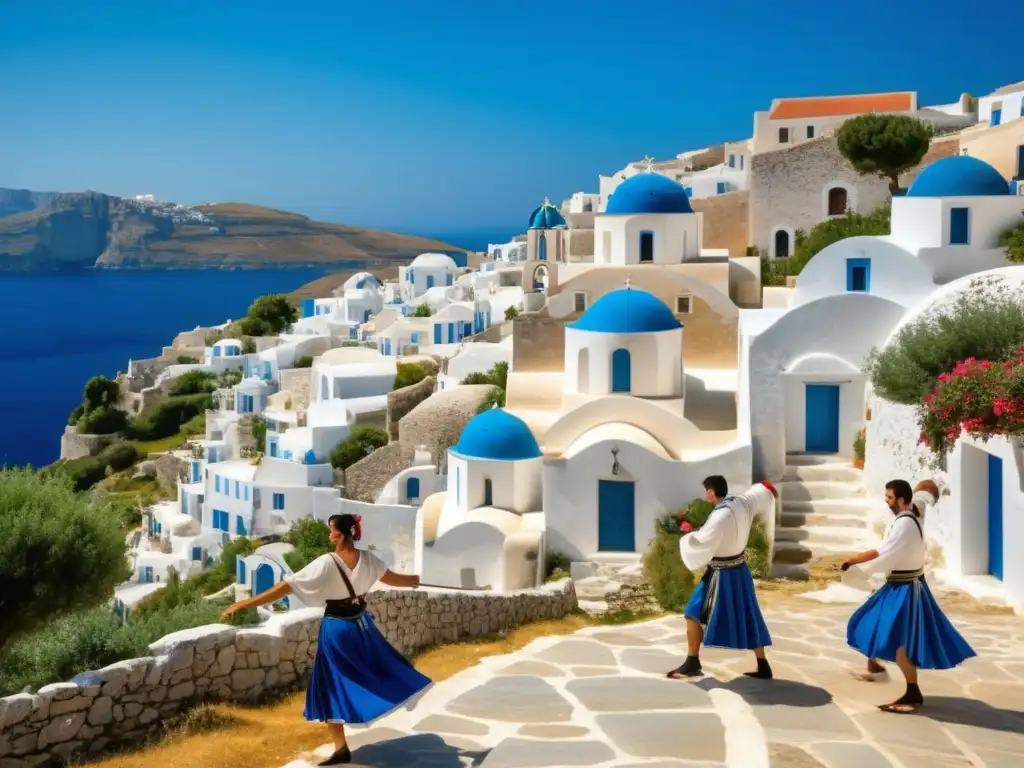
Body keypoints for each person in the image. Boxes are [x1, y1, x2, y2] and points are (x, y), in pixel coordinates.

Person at [221, 513, 431, 765]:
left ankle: (341, 747)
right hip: (363, 626)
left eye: (331, 530)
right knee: (381, 668)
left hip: (338, 629)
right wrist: (421, 579)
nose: (329, 534)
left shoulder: (326, 562)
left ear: (341, 534)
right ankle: (360, 725)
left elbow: (285, 587)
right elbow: (395, 580)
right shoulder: (369, 559)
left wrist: (246, 603)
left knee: (328, 683)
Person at [842, 479, 975, 713]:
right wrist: (932, 488)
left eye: (889, 498)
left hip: (906, 589)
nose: (886, 501)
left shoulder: (904, 524)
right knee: (867, 622)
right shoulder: (912, 512)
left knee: (900, 645)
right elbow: (923, 497)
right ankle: (875, 667)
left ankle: (912, 693)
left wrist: (853, 563)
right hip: (897, 585)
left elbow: (882, 552)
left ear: (902, 500)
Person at [667, 476, 777, 680]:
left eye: (706, 491)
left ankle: (692, 662)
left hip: (721, 574)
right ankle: (763, 665)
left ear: (711, 492)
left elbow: (702, 541)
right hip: (740, 571)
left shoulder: (720, 517)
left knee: (692, 612)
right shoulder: (742, 502)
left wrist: (687, 538)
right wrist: (768, 488)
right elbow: (760, 492)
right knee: (749, 615)